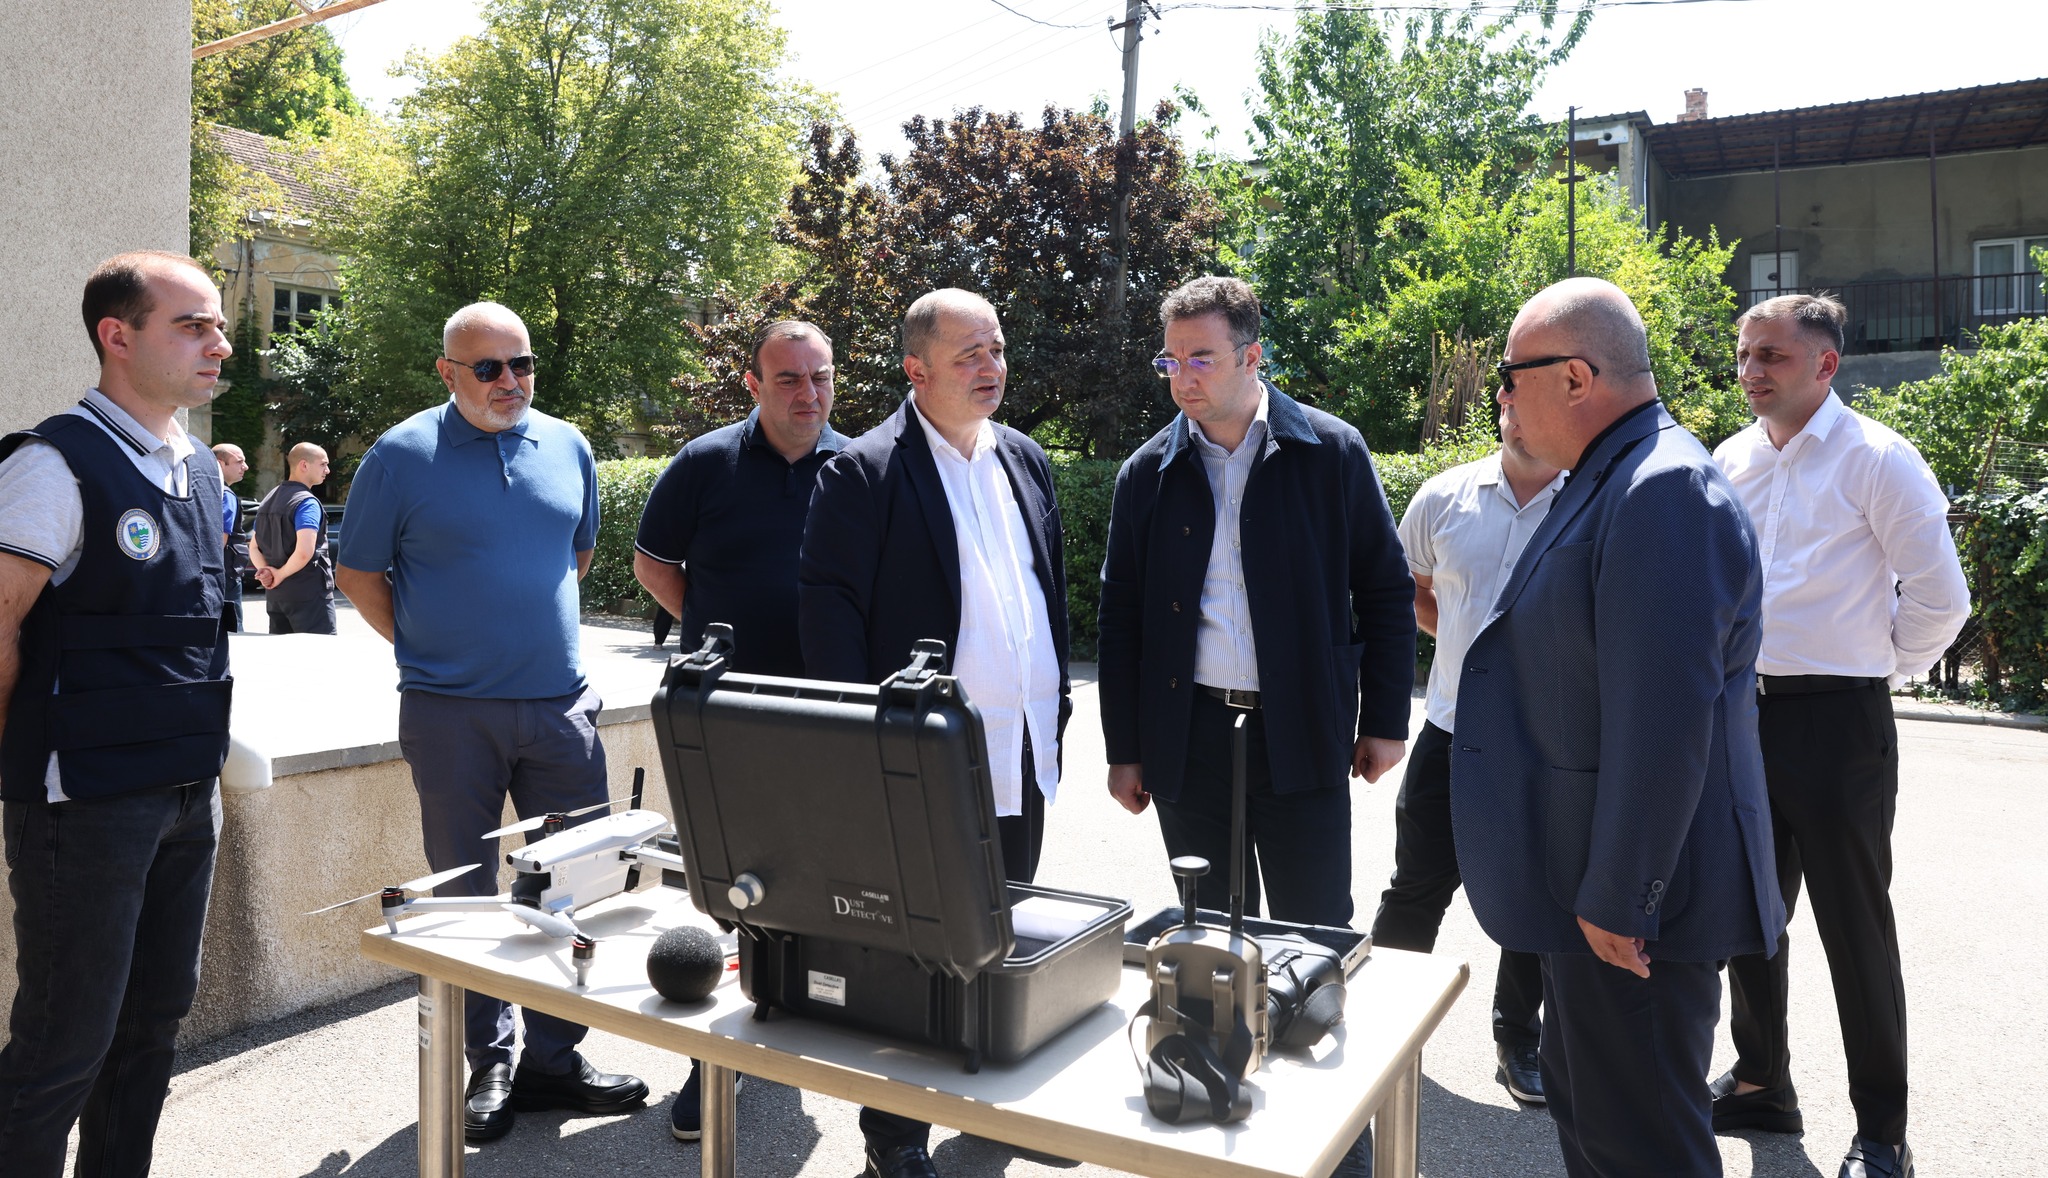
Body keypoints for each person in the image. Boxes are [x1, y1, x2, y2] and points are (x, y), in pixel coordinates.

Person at [1452, 277, 1786, 1177]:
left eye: (1511, 376)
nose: (1501, 396)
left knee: (1641, 1144)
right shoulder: (1617, 472)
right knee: (1599, 1122)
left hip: (1638, 910)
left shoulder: (1660, 488)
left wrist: (1622, 893)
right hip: (1603, 895)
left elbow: (1664, 719)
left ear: (1574, 377)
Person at [1096, 276, 1412, 1177]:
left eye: (1200, 357)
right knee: (1207, 945)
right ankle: (1218, 1114)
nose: (1182, 377)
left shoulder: (1331, 451)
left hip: (1300, 729)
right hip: (1189, 735)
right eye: (1170, 360)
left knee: (1315, 935)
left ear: (1252, 356)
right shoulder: (1148, 471)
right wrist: (1127, 749)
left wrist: (1385, 719)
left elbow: (1384, 589)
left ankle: (1336, 1143)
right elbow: (1121, 618)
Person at [334, 301, 646, 1143]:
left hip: (560, 708)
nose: (510, 381)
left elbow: (575, 556)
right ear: (448, 372)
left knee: (571, 886)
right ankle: (492, 1061)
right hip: (450, 716)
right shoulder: (399, 457)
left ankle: (555, 1059)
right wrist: (431, 649)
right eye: (488, 368)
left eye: (523, 364)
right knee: (466, 894)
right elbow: (358, 574)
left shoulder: (569, 445)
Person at [799, 289, 1070, 1178]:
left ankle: (990, 1096)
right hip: (919, 764)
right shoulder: (864, 472)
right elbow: (830, 621)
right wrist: (864, 750)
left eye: (997, 349)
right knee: (916, 956)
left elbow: (1047, 596)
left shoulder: (1023, 458)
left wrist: (1055, 710)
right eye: (969, 355)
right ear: (916, 370)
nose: (992, 368)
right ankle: (896, 1136)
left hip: (1020, 751)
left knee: (1007, 937)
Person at [1709, 294, 1966, 1178]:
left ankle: (1882, 1132)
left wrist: (1872, 670)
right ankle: (1762, 1084)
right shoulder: (1729, 458)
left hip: (1838, 722)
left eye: (1771, 356)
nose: (1750, 371)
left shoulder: (1878, 458)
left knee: (1855, 929)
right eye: (1745, 354)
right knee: (1748, 915)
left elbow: (1940, 599)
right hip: (1744, 714)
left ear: (1825, 364)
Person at [0, 250, 235, 1176]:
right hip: (84, 803)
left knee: (152, 1028)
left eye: (219, 326)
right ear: (118, 335)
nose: (220, 344)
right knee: (64, 1044)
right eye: (193, 326)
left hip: (186, 792)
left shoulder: (201, 471)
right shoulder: (54, 464)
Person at [633, 319, 846, 1141]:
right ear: (753, 385)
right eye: (788, 378)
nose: (807, 393)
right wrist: (714, 632)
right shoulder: (703, 462)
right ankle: (714, 1056)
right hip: (723, 714)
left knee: (820, 880)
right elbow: (654, 563)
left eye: (820, 376)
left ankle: (794, 1024)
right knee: (730, 885)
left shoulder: (861, 467)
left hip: (829, 717)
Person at [1369, 407, 1561, 1106]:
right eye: (1510, 400)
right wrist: (1462, 639)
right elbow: (1407, 588)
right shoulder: (1443, 497)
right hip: (1451, 729)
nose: (1521, 414)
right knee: (1415, 888)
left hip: (1548, 742)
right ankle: (1383, 1026)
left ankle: (1519, 1041)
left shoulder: (1593, 502)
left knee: (1539, 899)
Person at [250, 441, 335, 634]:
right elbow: (305, 552)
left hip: (276, 597)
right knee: (320, 650)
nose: (327, 470)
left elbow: (254, 546)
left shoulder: (268, 499)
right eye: (323, 464)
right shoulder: (307, 502)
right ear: (304, 465)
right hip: (309, 594)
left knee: (283, 651)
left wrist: (267, 573)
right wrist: (279, 575)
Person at [212, 441, 249, 632]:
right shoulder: (226, 495)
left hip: (213, 572)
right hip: (226, 572)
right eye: (239, 461)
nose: (245, 467)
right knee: (233, 630)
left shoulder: (204, 489)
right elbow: (220, 538)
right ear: (220, 463)